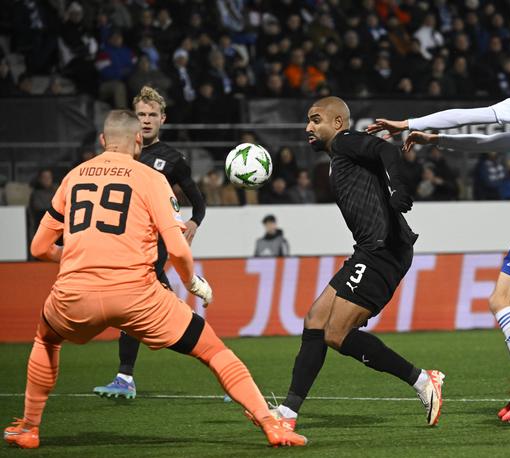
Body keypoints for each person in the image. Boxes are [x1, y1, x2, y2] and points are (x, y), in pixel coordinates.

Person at [3, 110, 306, 449]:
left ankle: (29, 428)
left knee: (46, 340)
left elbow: (39, 247)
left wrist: (76, 258)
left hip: (76, 294)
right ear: (137, 140)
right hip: (138, 296)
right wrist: (192, 282)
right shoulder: (150, 178)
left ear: (103, 141)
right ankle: (271, 424)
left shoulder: (73, 177)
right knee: (213, 350)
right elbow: (177, 247)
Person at [367, 44, 510, 422]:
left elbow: (467, 116)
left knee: (500, 300)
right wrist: (435, 141)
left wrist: (410, 123)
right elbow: (491, 142)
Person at [250, 96, 444, 431]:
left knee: (337, 333)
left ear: (337, 123)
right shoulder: (337, 156)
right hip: (368, 251)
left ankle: (423, 381)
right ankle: (289, 413)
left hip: (384, 250)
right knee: (315, 320)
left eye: (315, 120)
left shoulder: (345, 142)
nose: (308, 127)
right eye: (308, 121)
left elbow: (386, 149)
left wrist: (397, 187)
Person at [93, 86, 207, 399]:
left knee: (140, 313)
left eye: (152, 115)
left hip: (150, 250)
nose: (146, 120)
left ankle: (124, 377)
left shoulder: (172, 159)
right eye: (141, 115)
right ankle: (222, 367)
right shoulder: (119, 155)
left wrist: (194, 222)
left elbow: (199, 202)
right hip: (121, 246)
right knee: (168, 316)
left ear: (163, 118)